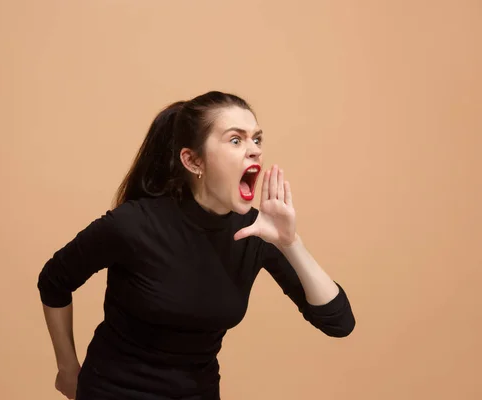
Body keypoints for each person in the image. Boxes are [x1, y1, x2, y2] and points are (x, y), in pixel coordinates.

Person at [37, 91, 356, 400]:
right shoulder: (134, 224)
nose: (255, 150)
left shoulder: (258, 231)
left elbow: (339, 322)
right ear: (192, 161)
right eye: (236, 139)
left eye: (256, 139)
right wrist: (68, 369)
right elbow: (54, 280)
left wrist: (290, 243)